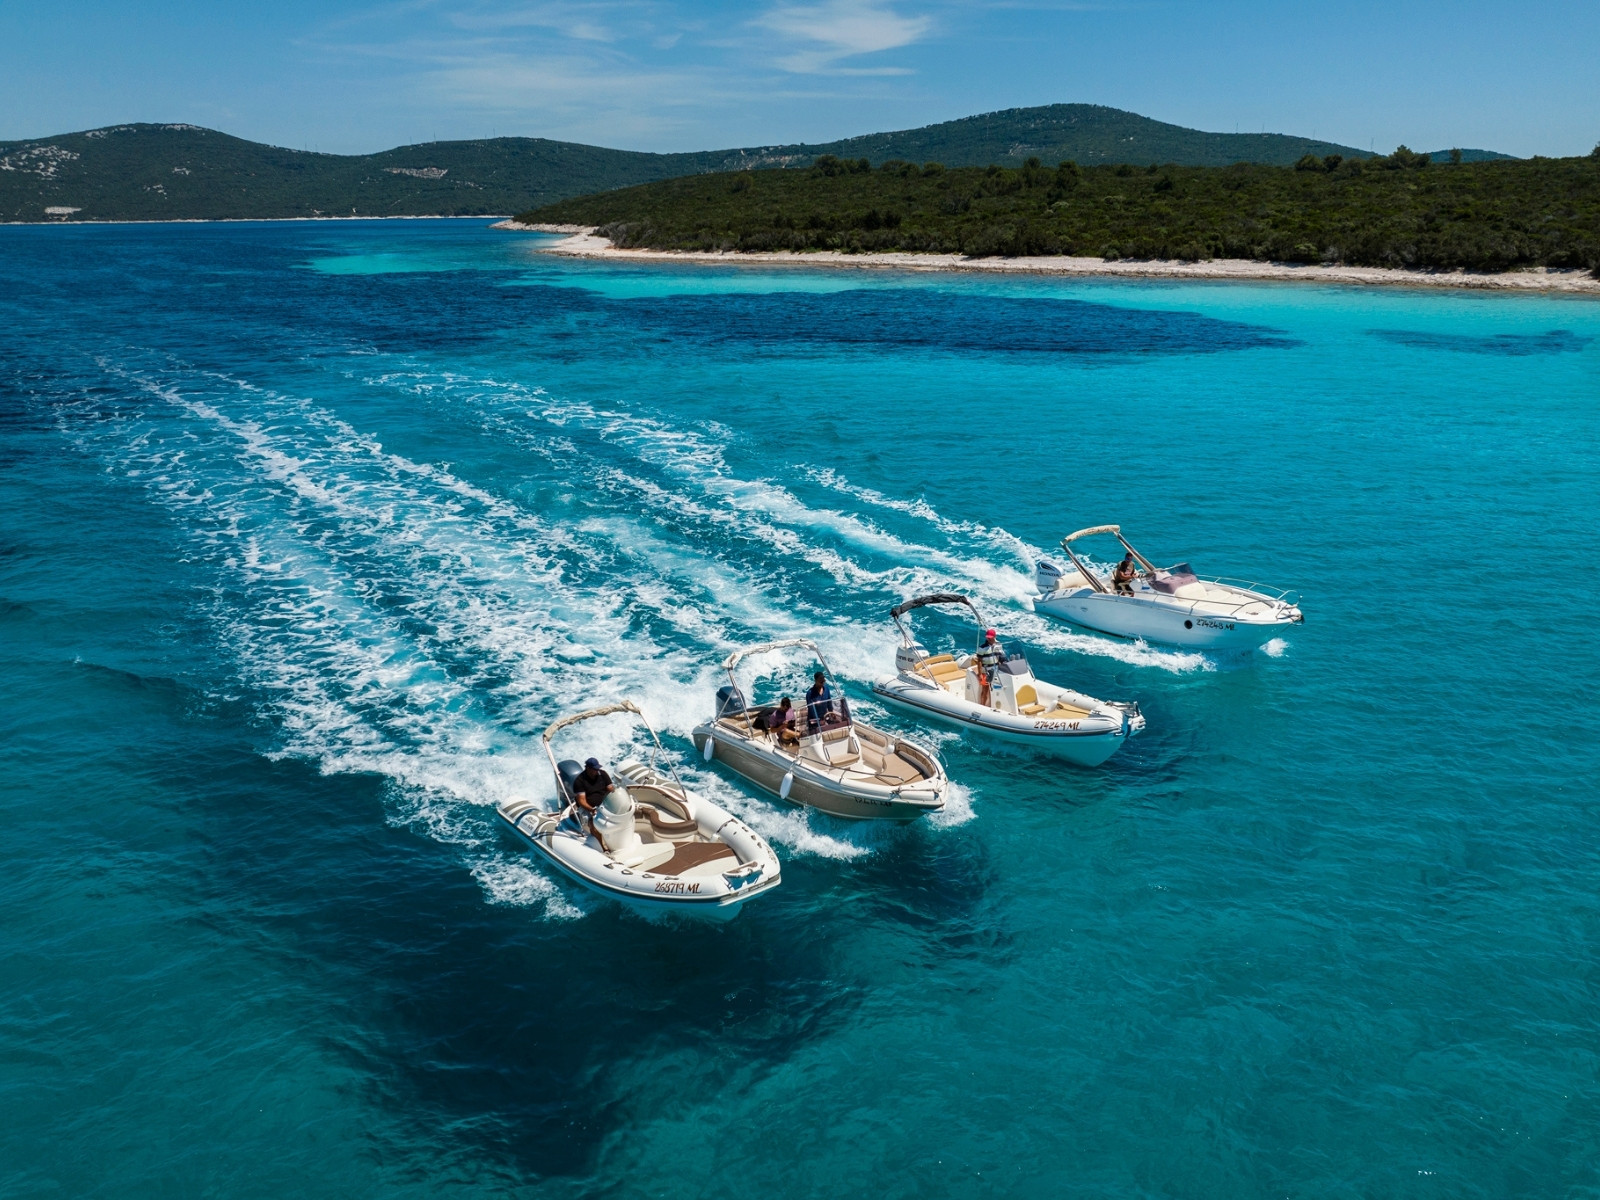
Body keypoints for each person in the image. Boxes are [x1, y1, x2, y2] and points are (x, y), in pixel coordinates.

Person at [571, 757, 613, 837]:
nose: (597, 770)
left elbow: (610, 788)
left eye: (597, 768)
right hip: (588, 807)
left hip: (603, 804)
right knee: (593, 824)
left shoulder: (602, 774)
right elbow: (581, 801)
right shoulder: (579, 781)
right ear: (588, 768)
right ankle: (598, 840)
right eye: (595, 769)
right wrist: (592, 809)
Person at [971, 628, 1005, 707]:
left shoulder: (999, 645)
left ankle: (992, 705)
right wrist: (980, 674)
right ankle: (982, 706)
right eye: (987, 637)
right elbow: (979, 661)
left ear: (994, 637)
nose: (988, 639)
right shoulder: (982, 648)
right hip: (985, 672)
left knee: (995, 689)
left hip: (996, 671)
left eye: (990, 637)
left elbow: (1001, 657)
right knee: (985, 690)